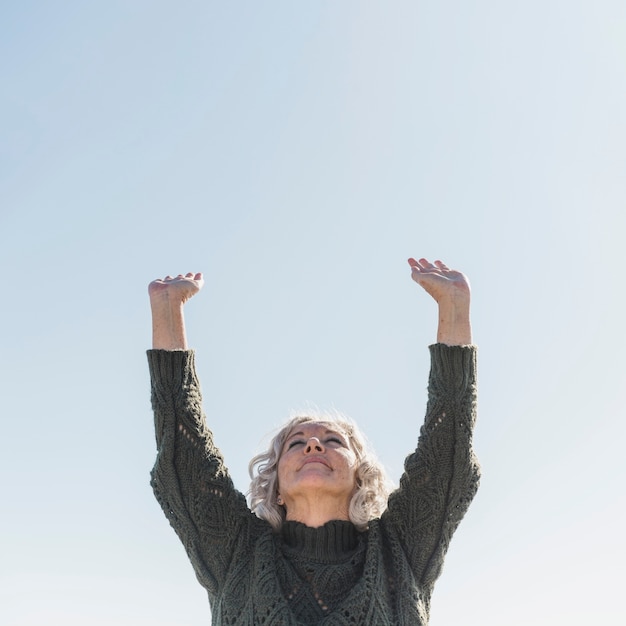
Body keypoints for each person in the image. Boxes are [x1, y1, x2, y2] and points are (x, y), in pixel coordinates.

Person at [147, 257, 480, 626]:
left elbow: (448, 454)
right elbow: (185, 456)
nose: (313, 446)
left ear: (361, 476)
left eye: (333, 440)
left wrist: (453, 305)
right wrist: (167, 308)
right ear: (274, 485)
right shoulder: (237, 551)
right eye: (296, 443)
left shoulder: (400, 547)